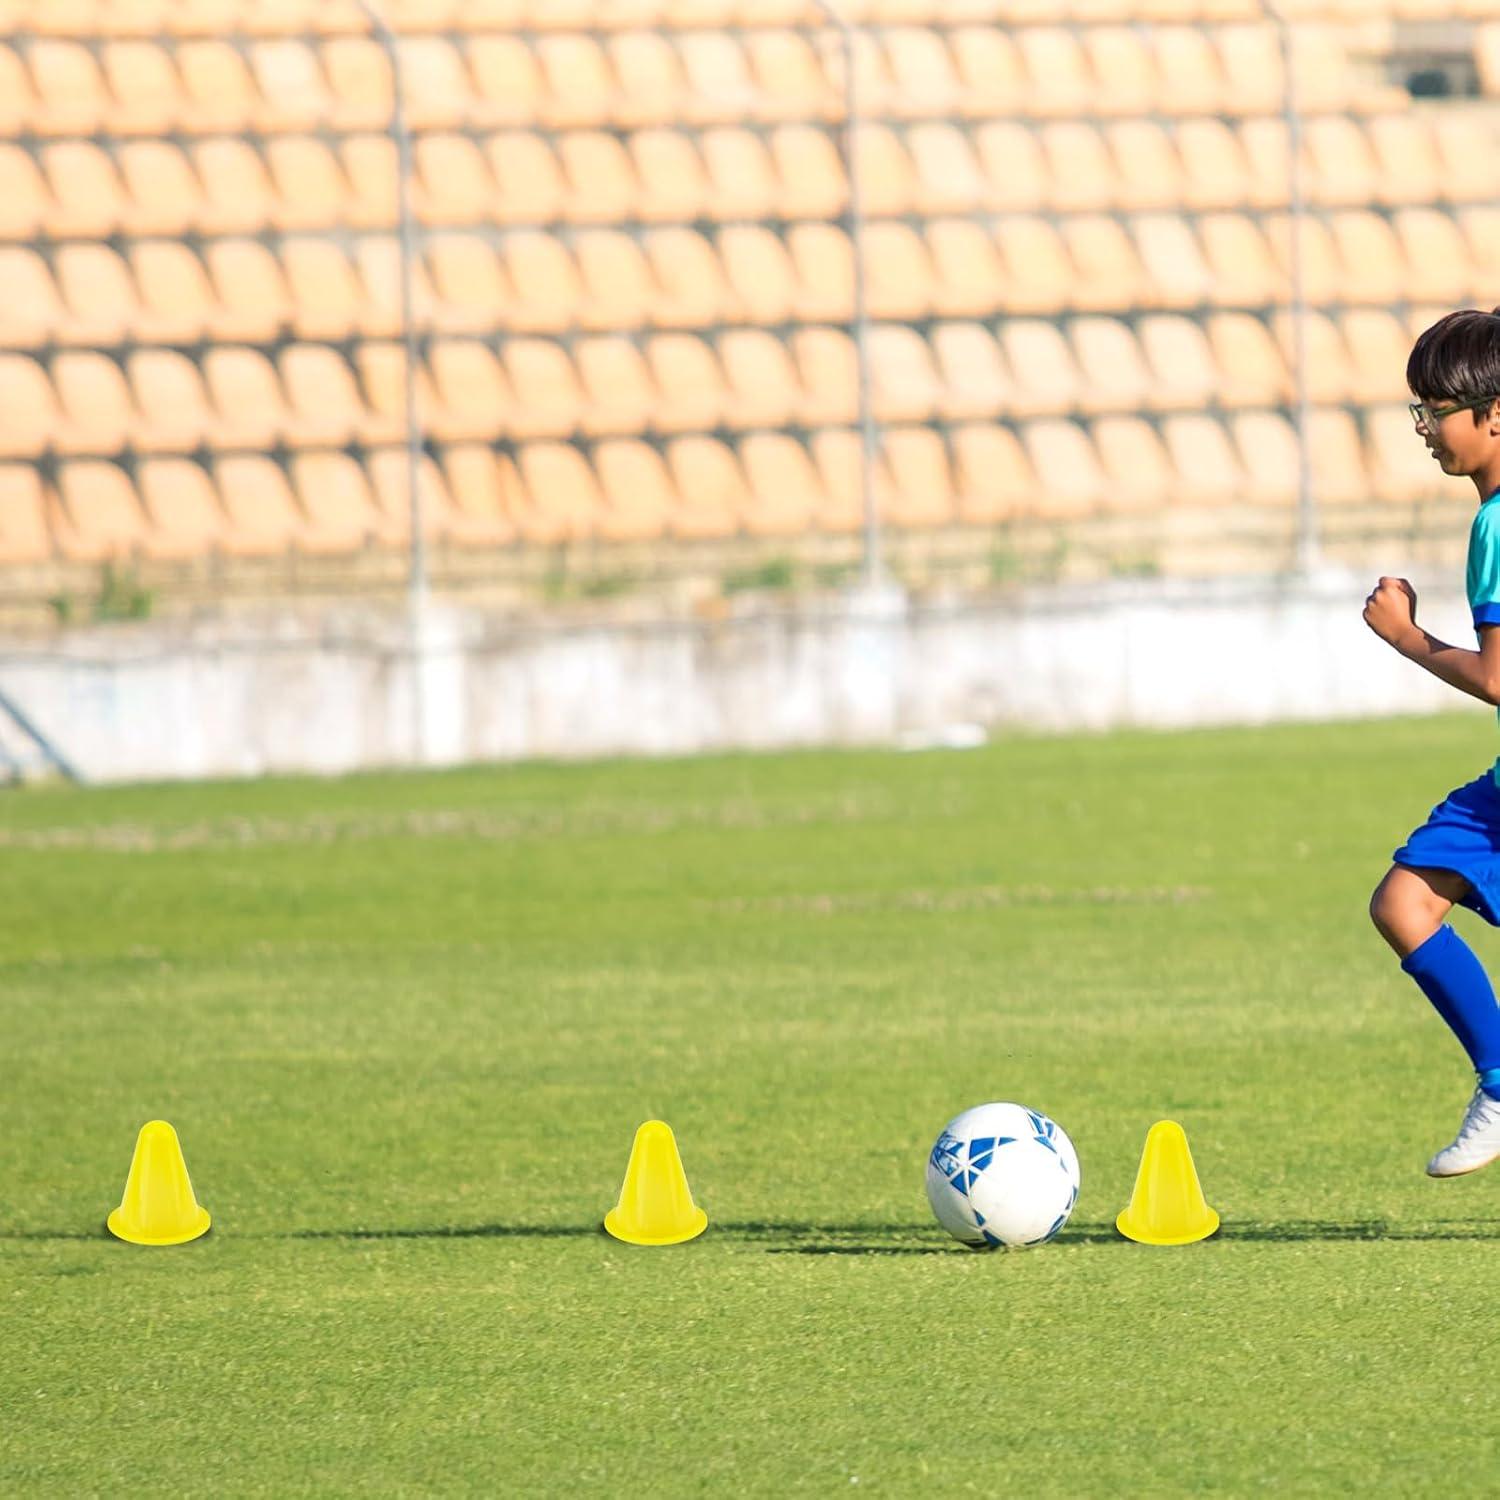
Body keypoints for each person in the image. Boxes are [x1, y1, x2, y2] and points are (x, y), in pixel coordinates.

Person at [1367, 306, 1500, 1176]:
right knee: (1404, 902)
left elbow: (1499, 679)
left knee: (1404, 905)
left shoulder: (1496, 524)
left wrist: (1408, 636)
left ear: (1496, 412)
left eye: (1437, 409)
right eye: (1418, 410)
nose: (1424, 429)